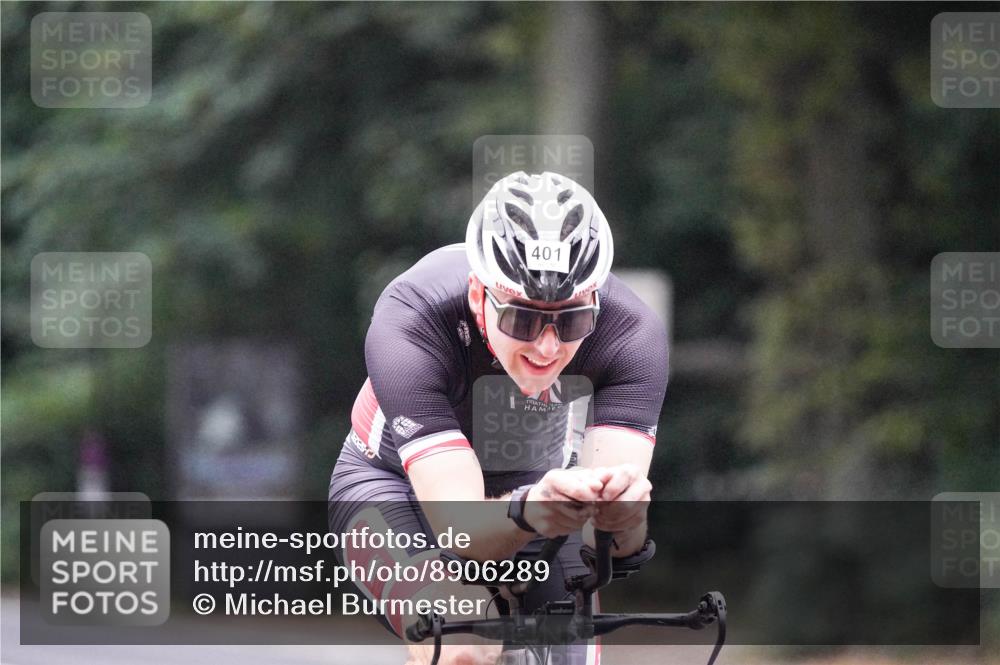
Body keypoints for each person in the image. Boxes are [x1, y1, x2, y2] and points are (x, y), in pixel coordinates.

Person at [328, 171, 668, 665]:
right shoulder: (415, 315)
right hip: (391, 489)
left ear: (595, 301)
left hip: (541, 495)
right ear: (477, 294)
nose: (546, 347)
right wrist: (531, 510)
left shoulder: (629, 334)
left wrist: (622, 516)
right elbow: (459, 529)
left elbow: (613, 546)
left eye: (571, 321)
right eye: (522, 319)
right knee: (461, 645)